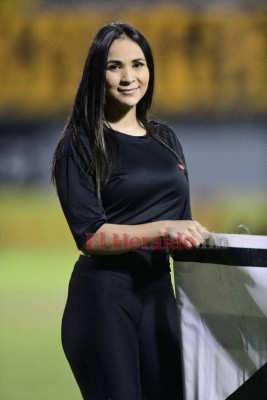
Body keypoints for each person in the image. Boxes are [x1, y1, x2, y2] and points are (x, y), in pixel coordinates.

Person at [51, 22, 209, 400]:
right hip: (104, 300)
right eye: (114, 66)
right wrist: (161, 229)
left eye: (138, 64)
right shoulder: (81, 142)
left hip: (160, 299)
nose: (128, 77)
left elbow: (181, 227)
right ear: (96, 73)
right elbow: (90, 236)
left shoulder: (165, 139)